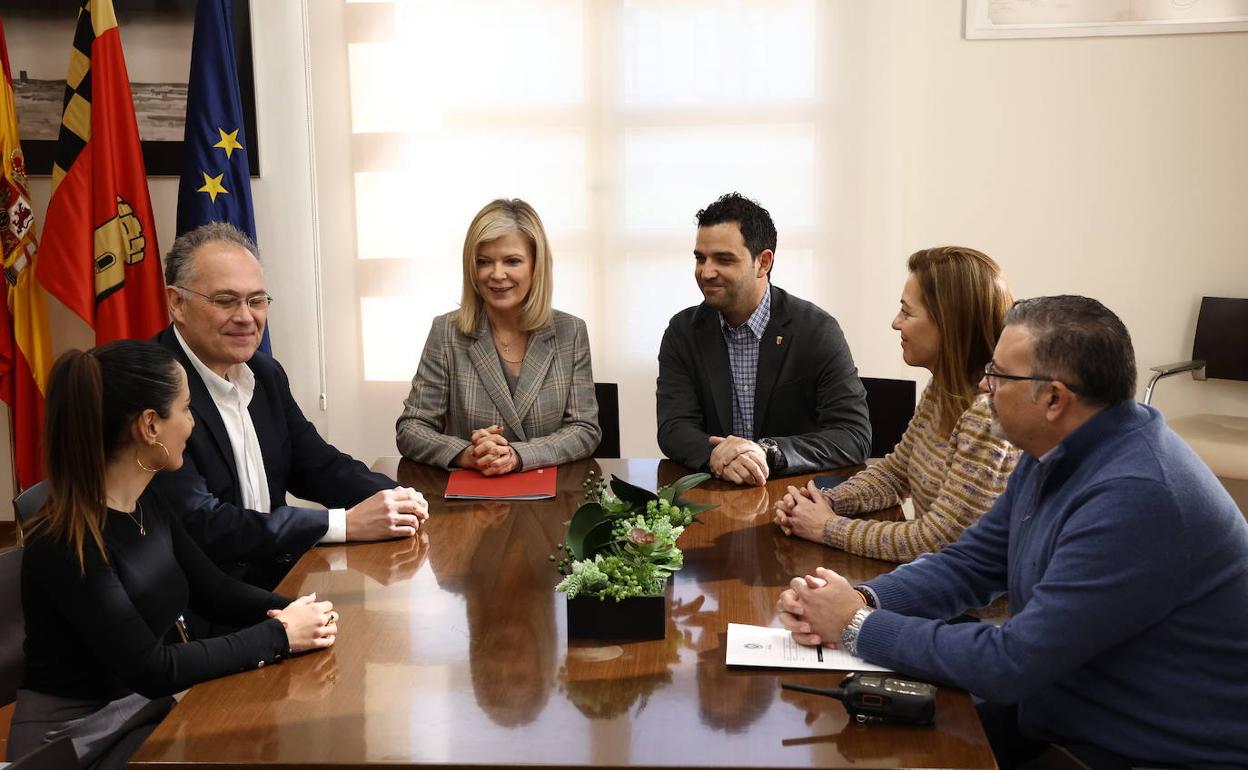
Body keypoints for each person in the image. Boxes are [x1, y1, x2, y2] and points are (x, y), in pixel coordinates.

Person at [776, 296, 1248, 769]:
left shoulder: (1138, 495)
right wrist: (861, 599)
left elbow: (1013, 662)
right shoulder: (1057, 448)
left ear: (1055, 398)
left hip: (1146, 750)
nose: (983, 384)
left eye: (999, 375)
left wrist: (857, 626)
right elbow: (973, 562)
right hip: (1065, 709)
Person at [8, 341, 338, 770]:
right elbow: (153, 668)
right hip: (75, 742)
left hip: (140, 711)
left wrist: (296, 610)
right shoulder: (67, 541)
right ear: (149, 426)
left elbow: (214, 591)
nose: (192, 424)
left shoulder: (147, 500)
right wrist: (280, 636)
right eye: (185, 409)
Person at [150, 222, 428, 592]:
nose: (247, 317)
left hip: (277, 586)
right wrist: (343, 524)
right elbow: (202, 523)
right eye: (226, 300)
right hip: (201, 606)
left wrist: (398, 498)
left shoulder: (264, 373)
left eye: (256, 300)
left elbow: (317, 464)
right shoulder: (153, 387)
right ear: (177, 303)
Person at [773, 247, 1021, 562]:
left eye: (907, 312)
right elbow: (895, 473)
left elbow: (937, 541)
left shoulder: (987, 417)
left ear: (949, 323)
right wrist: (826, 501)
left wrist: (827, 527)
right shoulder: (944, 386)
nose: (895, 323)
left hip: (970, 608)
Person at [656, 192, 870, 485]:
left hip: (794, 496)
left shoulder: (816, 330)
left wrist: (767, 452)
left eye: (723, 259)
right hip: (712, 493)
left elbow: (853, 435)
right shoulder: (683, 331)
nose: (706, 272)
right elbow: (674, 428)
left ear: (763, 262)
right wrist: (718, 456)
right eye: (700, 258)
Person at [396, 198, 600, 473]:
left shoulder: (570, 331)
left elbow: (585, 430)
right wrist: (467, 453)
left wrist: (517, 455)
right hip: (471, 503)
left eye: (512, 261)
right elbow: (411, 429)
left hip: (549, 500)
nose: (497, 274)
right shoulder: (446, 332)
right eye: (484, 262)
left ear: (536, 266)